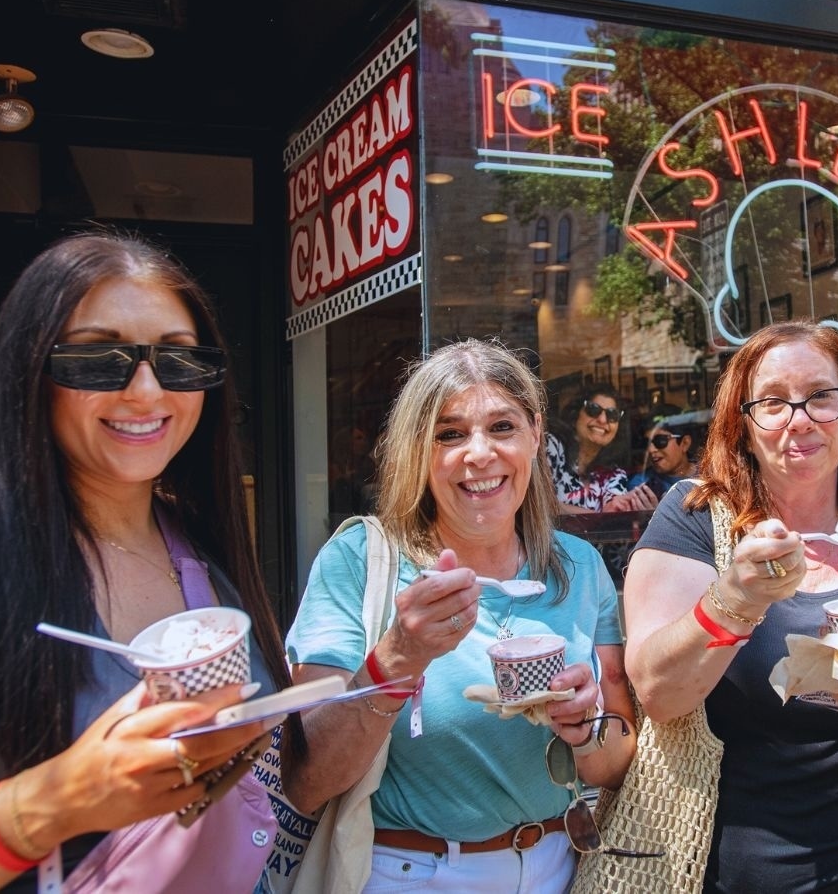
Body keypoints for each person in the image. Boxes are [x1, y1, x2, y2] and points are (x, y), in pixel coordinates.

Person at [0, 230, 291, 891]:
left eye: (178, 360)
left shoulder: (206, 551)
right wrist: (54, 803)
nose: (147, 392)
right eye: (98, 357)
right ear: (30, 372)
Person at [623, 320, 838, 892]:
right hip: (729, 874)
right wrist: (736, 599)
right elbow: (659, 695)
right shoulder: (695, 522)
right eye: (773, 402)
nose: (799, 419)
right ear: (743, 426)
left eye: (820, 396)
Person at [283, 339, 638, 891]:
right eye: (449, 434)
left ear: (535, 434)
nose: (479, 454)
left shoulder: (579, 566)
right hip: (412, 875)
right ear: (417, 450)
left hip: (560, 869)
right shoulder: (359, 562)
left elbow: (615, 764)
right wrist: (398, 658)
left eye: (502, 427)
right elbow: (307, 780)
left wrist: (585, 726)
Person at [545, 385, 657, 514]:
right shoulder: (551, 446)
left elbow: (614, 510)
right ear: (576, 414)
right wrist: (600, 516)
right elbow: (540, 504)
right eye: (593, 409)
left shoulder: (614, 474)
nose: (602, 420)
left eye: (612, 414)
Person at [628, 416, 697, 498]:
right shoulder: (641, 485)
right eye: (646, 443)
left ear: (685, 443)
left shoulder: (708, 474)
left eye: (660, 440)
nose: (651, 449)